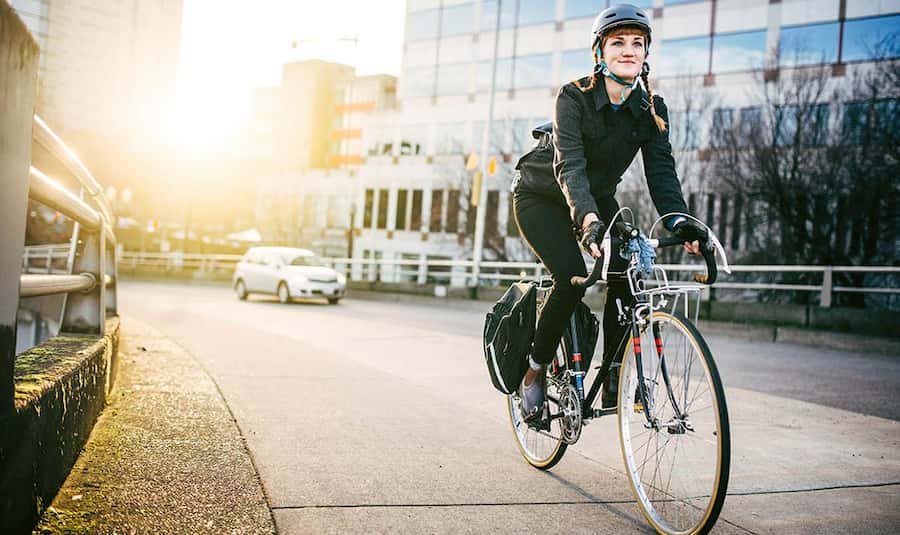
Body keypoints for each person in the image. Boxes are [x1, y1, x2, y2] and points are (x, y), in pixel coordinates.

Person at [513, 4, 708, 419]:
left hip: (597, 198)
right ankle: (533, 370)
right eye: (618, 42)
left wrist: (680, 220)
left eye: (637, 43)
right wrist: (587, 222)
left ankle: (615, 375)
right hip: (542, 195)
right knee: (571, 279)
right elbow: (570, 167)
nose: (629, 50)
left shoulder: (651, 110)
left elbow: (662, 173)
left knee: (627, 264)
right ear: (600, 53)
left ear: (645, 54)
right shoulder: (573, 97)